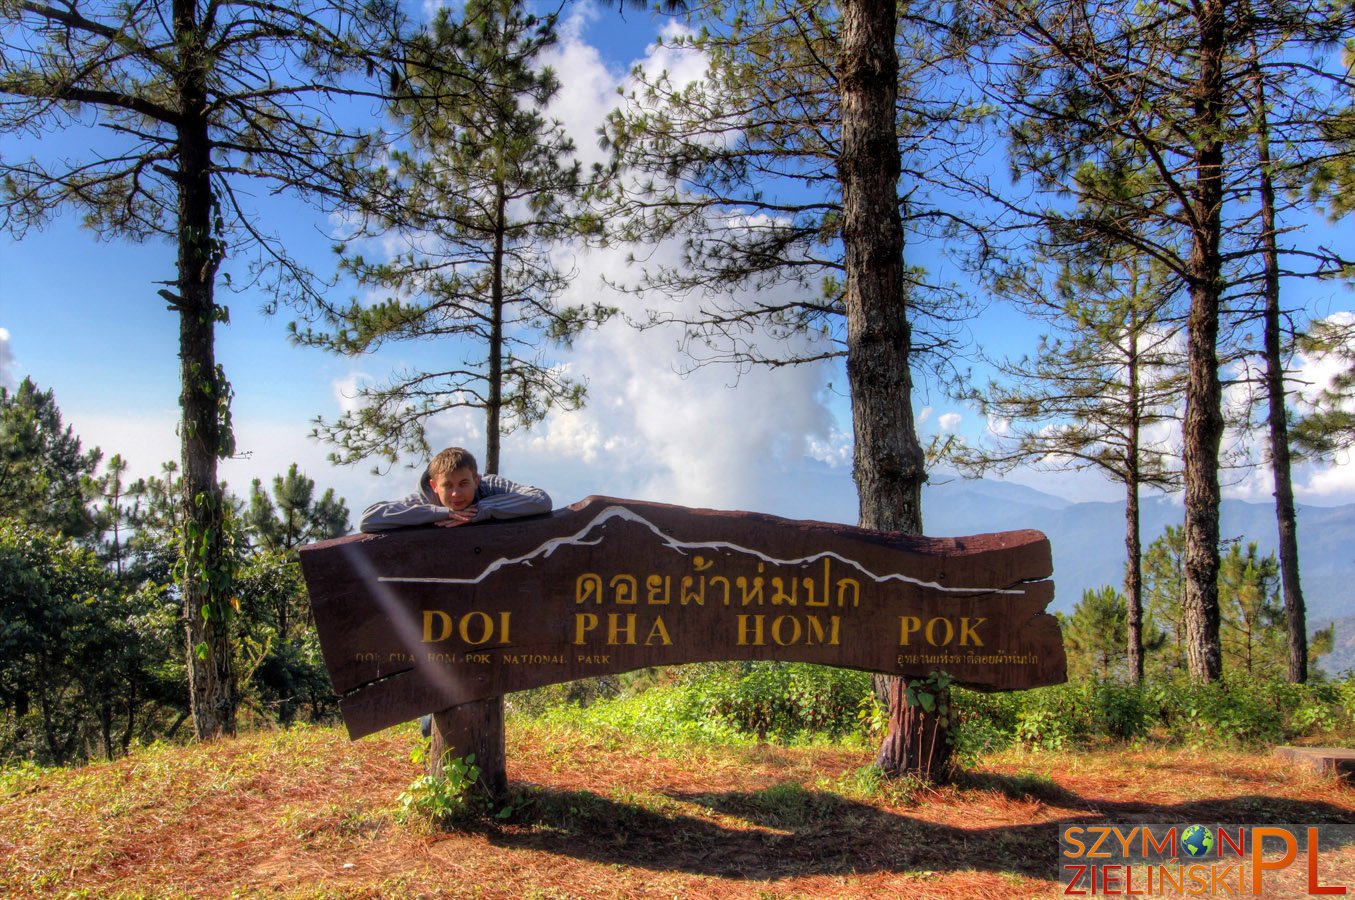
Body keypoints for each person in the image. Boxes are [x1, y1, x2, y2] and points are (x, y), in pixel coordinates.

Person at [358, 446, 551, 533]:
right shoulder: (425, 498)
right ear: (434, 486)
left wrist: (481, 511)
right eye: (447, 485)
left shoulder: (489, 485)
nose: (456, 493)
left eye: (464, 484)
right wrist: (440, 513)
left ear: (476, 480)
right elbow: (369, 519)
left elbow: (540, 499)